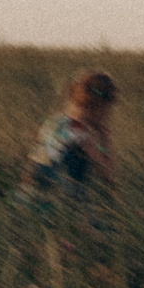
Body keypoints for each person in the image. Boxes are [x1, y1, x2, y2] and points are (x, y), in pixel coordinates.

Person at [20, 71, 117, 199]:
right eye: (107, 109)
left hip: (24, 196)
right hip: (53, 202)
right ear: (98, 106)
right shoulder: (82, 135)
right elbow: (109, 176)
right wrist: (105, 137)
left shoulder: (50, 123)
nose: (108, 115)